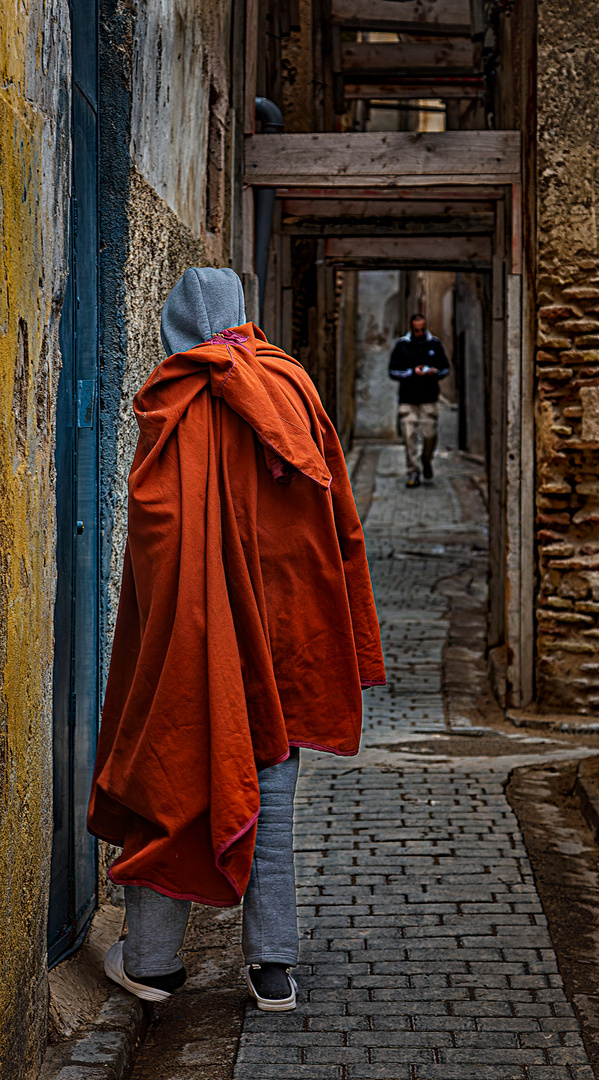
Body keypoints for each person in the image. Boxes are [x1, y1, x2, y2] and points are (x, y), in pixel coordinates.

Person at [87, 267, 385, 1012]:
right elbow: (336, 517)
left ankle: (152, 965)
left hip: (195, 636)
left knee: (173, 780)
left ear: (175, 327)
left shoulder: (173, 396)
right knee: (272, 795)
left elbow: (158, 535)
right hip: (286, 629)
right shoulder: (291, 387)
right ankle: (272, 969)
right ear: (241, 316)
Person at [388, 314, 450, 488]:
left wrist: (433, 372)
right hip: (407, 400)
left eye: (422, 329)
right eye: (416, 330)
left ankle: (426, 459)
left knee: (430, 435)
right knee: (409, 438)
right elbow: (393, 371)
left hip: (429, 399)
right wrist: (411, 372)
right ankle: (413, 472)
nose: (419, 332)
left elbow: (445, 369)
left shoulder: (434, 344)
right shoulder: (402, 346)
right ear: (411, 328)